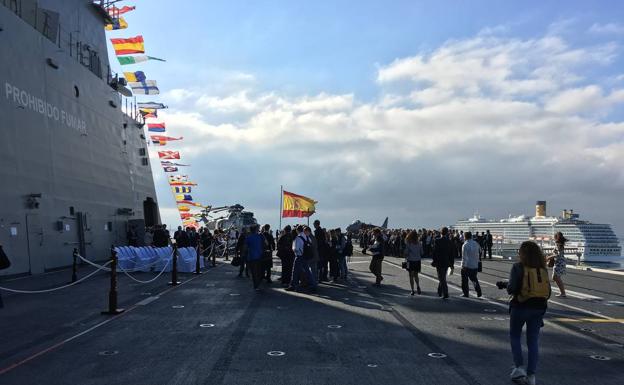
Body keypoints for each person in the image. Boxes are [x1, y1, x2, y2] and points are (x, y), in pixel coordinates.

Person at [499, 241, 550, 385]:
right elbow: (548, 291)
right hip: (538, 308)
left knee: (515, 336)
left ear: (523, 253)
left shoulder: (518, 267)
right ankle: (531, 376)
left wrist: (504, 284)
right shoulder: (542, 269)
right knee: (533, 341)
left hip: (520, 306)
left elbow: (512, 288)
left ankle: (519, 367)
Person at [286, 226, 317, 293]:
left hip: (299, 256)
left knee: (294, 271)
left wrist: (294, 250)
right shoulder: (307, 237)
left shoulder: (298, 238)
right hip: (305, 256)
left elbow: (296, 249)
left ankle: (293, 285)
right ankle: (313, 285)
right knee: (308, 271)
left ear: (297, 230)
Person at [433, 227, 455, 299]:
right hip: (446, 261)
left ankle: (445, 293)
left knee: (441, 278)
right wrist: (452, 264)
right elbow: (452, 254)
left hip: (439, 262)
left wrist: (434, 261)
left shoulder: (437, 240)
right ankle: (439, 291)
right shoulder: (450, 241)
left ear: (441, 232)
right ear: (447, 232)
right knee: (442, 277)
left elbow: (435, 252)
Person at [244, 225, 267, 291]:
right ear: (256, 229)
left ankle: (256, 285)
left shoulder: (248, 237)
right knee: (260, 271)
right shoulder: (260, 236)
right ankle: (258, 283)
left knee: (254, 272)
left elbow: (245, 247)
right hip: (260, 256)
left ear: (250, 230)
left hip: (251, 257)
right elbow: (266, 244)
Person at [460, 232, 482, 298]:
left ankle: (466, 293)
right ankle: (478, 291)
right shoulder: (476, 243)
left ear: (465, 237)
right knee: (474, 279)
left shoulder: (465, 245)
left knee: (464, 281)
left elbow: (464, 257)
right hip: (475, 265)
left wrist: (463, 266)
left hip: (467, 266)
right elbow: (480, 251)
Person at [403, 231, 423, 295]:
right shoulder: (420, 243)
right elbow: (422, 252)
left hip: (410, 261)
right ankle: (418, 286)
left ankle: (412, 290)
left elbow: (406, 253)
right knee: (416, 275)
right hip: (417, 261)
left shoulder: (409, 243)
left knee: (410, 276)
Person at [549, 232, 567, 298]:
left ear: (556, 237)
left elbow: (558, 254)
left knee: (556, 277)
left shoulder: (559, 244)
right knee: (555, 277)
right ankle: (562, 292)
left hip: (559, 263)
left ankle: (563, 293)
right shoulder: (559, 244)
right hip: (559, 262)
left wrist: (549, 257)